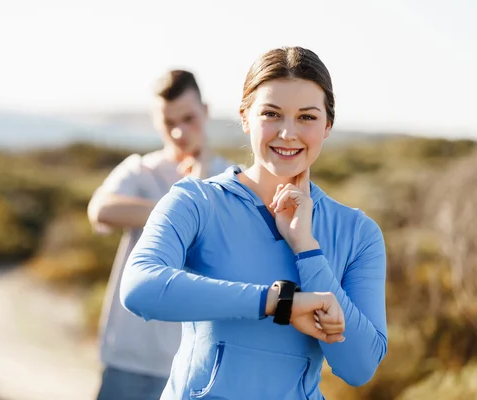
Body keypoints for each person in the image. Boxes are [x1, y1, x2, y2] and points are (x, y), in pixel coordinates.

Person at [120, 46, 388, 400]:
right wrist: (277, 302)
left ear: (328, 125)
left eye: (307, 117)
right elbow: (140, 287)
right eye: (272, 114)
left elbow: (360, 367)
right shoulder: (195, 201)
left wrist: (307, 249)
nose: (287, 133)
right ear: (245, 117)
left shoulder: (357, 233)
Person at [87, 69, 233, 400]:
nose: (179, 131)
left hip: (198, 363)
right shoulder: (140, 169)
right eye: (169, 122)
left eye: (189, 118)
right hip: (129, 357)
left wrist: (205, 173)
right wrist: (182, 209)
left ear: (206, 113)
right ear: (156, 121)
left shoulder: (229, 176)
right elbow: (101, 210)